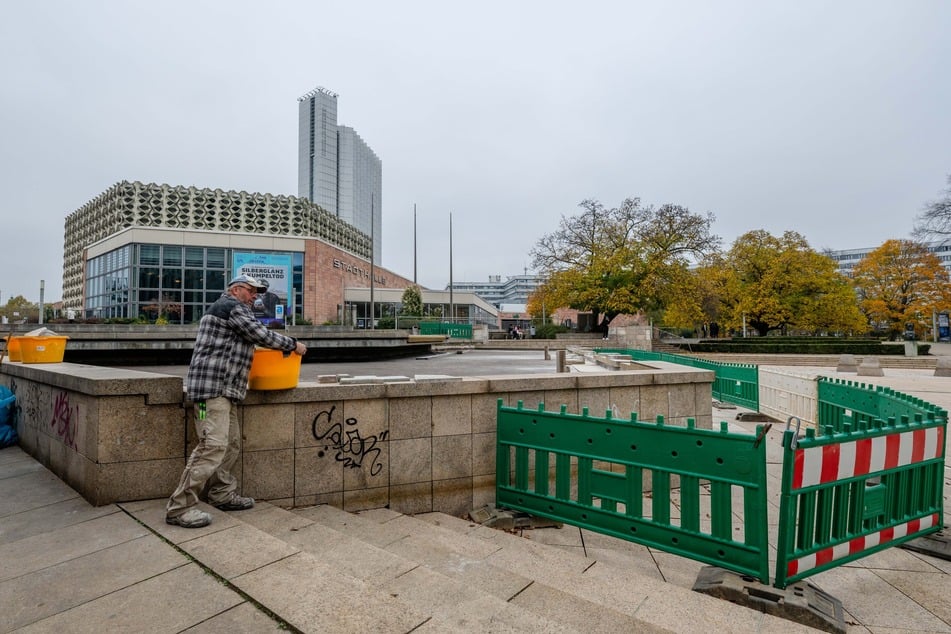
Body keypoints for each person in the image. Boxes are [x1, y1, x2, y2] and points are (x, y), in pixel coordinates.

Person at [165, 274, 307, 529]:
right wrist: (293, 345)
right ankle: (179, 507)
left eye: (257, 293)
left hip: (226, 391)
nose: (255, 297)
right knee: (212, 446)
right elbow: (260, 334)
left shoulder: (228, 308)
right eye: (252, 291)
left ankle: (221, 495)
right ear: (236, 289)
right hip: (212, 390)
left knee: (230, 445)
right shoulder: (231, 307)